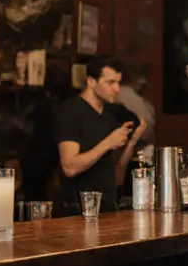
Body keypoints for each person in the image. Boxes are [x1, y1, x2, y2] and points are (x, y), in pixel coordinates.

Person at [55, 55, 147, 215]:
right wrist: (108, 142)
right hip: (78, 212)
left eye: (118, 82)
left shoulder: (108, 115)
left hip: (108, 208)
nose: (117, 89)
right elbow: (69, 167)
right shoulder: (71, 111)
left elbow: (117, 173)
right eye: (110, 82)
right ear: (91, 82)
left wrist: (132, 140)